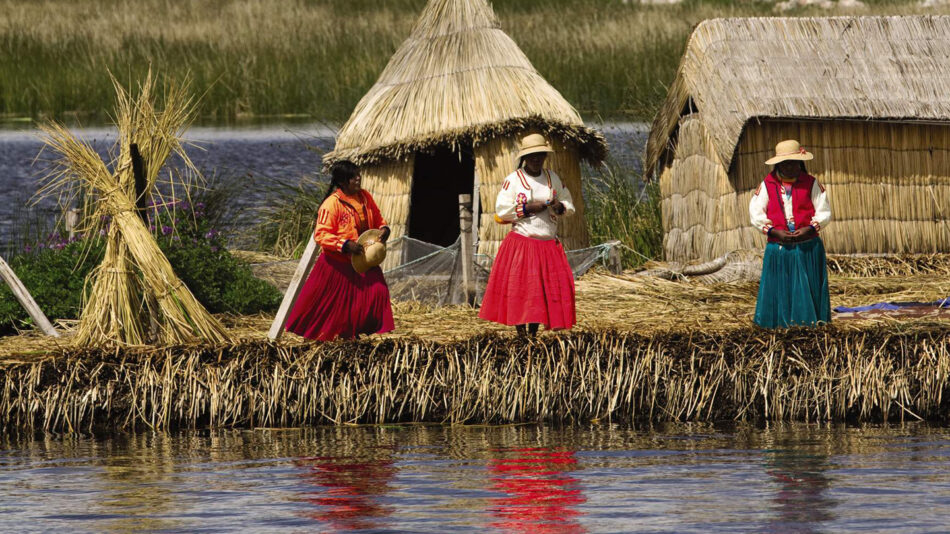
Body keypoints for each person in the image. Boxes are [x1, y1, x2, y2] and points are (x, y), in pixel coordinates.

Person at [479, 133, 576, 336]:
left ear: (544, 156)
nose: (536, 159)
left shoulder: (553, 179)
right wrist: (528, 208)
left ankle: (533, 333)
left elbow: (569, 203)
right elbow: (502, 210)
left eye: (540, 155)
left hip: (547, 244)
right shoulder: (514, 180)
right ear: (524, 157)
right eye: (532, 155)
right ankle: (522, 334)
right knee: (522, 290)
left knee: (541, 292)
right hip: (523, 242)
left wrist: (559, 206)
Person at [285, 160, 394, 340]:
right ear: (343, 182)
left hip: (363, 262)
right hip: (337, 265)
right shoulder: (331, 204)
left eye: (358, 174)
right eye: (353, 176)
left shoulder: (365, 197)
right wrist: (344, 244)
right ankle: (336, 337)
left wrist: (384, 229)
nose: (358, 178)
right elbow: (321, 234)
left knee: (378, 292)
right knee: (333, 309)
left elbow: (378, 219)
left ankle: (354, 332)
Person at [749, 139, 832, 328]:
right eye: (786, 163)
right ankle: (778, 324)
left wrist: (811, 228)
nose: (790, 167)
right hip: (780, 248)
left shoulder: (811, 183)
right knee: (780, 288)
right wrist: (773, 231)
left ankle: (809, 324)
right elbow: (755, 212)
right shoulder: (767, 185)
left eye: (794, 163)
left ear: (800, 163)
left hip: (807, 247)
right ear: (778, 164)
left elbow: (824, 210)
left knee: (807, 287)